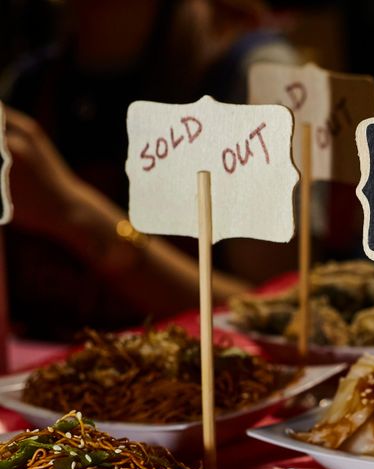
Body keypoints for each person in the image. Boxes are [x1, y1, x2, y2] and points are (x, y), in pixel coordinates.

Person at [1, 0, 299, 341]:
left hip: (201, 383)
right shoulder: (27, 86)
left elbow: (278, 318)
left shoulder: (250, 74)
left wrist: (76, 214)